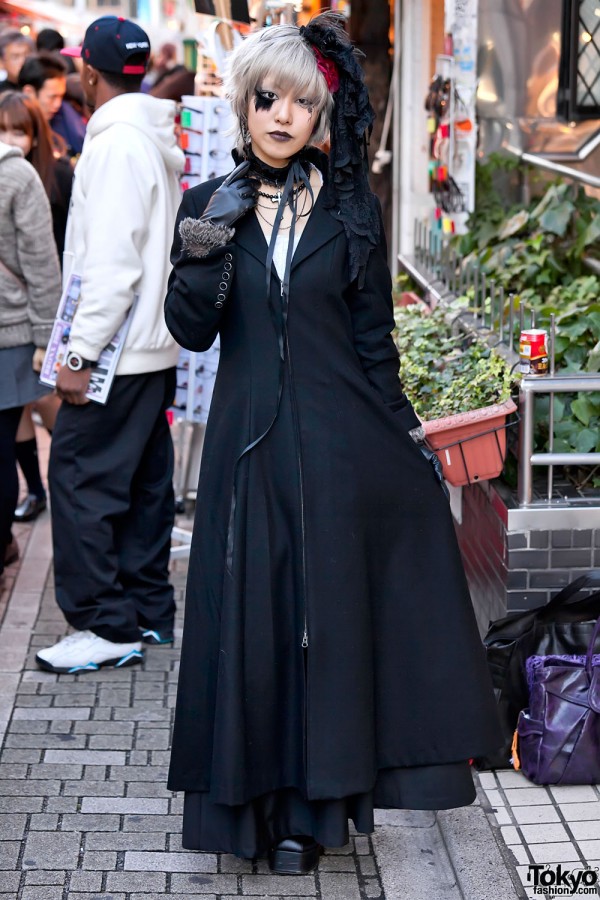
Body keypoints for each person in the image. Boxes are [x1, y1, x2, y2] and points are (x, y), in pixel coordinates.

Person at [164, 13, 502, 874]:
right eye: (268, 99)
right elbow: (191, 332)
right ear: (243, 105)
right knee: (253, 624)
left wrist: (407, 439)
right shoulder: (209, 203)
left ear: (323, 116)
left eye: (302, 104)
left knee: (325, 629)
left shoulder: (352, 209)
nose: (282, 117)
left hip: (338, 446)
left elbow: (373, 344)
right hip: (246, 453)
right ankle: (249, 810)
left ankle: (310, 818)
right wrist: (206, 246)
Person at [34, 15, 184, 675]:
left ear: (86, 75)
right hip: (148, 350)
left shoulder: (118, 143)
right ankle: (147, 611)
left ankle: (102, 623)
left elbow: (114, 264)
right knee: (144, 482)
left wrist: (79, 353)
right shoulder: (145, 135)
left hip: (118, 352)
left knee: (77, 479)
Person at [0, 91, 73, 522]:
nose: (11, 139)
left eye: (19, 131)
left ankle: (56, 487)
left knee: (45, 409)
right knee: (16, 419)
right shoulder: (17, 175)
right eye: (4, 129)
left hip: (46, 306)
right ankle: (40, 490)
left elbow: (49, 259)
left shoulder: (54, 174)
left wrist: (50, 334)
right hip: (26, 313)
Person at [0, 139, 61, 576]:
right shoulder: (18, 175)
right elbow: (42, 265)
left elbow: (42, 267)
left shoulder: (17, 175)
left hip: (10, 337)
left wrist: (46, 340)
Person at [18, 51, 85, 156]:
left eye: (61, 97)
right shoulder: (11, 124)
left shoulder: (64, 119)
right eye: (52, 97)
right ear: (29, 92)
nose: (57, 104)